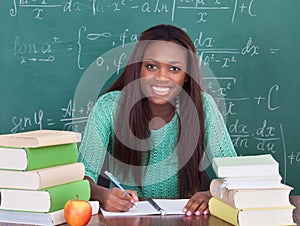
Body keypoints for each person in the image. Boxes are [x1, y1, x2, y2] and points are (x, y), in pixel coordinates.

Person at [78, 24, 237, 216]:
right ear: (139, 68)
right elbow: (83, 178)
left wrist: (212, 195)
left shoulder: (203, 107)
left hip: (186, 219)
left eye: (174, 69)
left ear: (186, 76)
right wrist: (102, 195)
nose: (162, 77)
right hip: (126, 219)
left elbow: (235, 176)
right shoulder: (109, 107)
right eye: (151, 66)